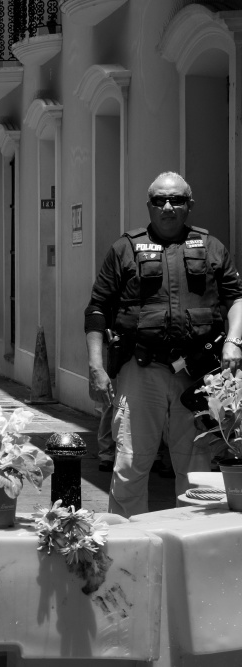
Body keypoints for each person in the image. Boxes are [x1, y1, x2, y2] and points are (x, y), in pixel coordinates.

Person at [85, 171, 242, 517]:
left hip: (199, 377)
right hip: (141, 372)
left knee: (197, 471)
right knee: (129, 467)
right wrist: (96, 367)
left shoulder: (211, 247)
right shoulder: (125, 248)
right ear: (149, 205)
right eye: (160, 200)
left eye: (177, 200)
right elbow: (97, 310)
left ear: (189, 205)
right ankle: (128, 555)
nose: (168, 206)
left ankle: (189, 554)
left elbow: (237, 299)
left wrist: (233, 342)